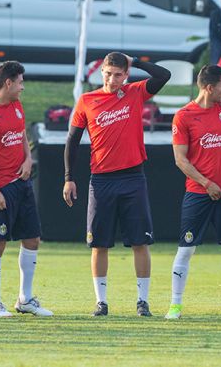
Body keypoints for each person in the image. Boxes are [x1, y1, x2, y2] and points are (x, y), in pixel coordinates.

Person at [63, 52, 171, 317]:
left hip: (133, 177)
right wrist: (68, 178)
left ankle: (142, 301)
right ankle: (101, 302)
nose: (112, 80)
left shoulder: (135, 92)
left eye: (118, 75)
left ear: (126, 75)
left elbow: (164, 75)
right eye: (108, 74)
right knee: (99, 244)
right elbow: (72, 141)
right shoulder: (87, 100)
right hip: (101, 180)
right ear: (101, 72)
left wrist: (135, 61)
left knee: (140, 242)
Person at [165, 65, 221, 320]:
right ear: (208, 88)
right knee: (186, 249)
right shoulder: (183, 116)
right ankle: (175, 306)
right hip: (198, 193)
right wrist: (206, 183)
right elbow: (180, 160)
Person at [0, 61, 51, 319]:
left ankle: (25, 299)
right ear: (8, 83)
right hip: (2, 189)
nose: (22, 87)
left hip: (23, 185)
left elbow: (22, 137)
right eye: (20, 82)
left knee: (32, 239)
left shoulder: (17, 106)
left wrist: (27, 159)